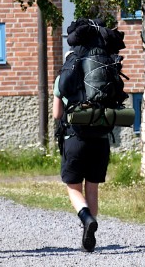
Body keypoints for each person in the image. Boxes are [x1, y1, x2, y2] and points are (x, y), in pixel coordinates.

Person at [53, 68, 109, 253]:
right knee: (92, 189)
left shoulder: (63, 78)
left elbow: (56, 114)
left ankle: (86, 219)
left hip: (74, 139)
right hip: (100, 141)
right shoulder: (102, 75)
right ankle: (89, 235)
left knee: (73, 188)